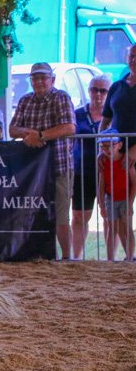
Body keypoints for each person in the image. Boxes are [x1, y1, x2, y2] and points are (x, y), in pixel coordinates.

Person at [9, 62, 77, 260]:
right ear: (30, 81)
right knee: (33, 215)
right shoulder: (24, 100)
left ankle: (66, 257)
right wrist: (27, 133)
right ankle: (42, 255)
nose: (39, 82)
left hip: (59, 166)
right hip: (31, 170)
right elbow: (13, 129)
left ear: (52, 80)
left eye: (43, 78)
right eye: (35, 78)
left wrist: (41, 135)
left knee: (61, 216)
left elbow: (70, 127)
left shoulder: (61, 97)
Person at [72, 74, 112, 259]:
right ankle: (77, 258)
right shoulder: (77, 114)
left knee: (110, 217)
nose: (98, 94)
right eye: (94, 89)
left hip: (109, 172)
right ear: (89, 91)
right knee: (80, 217)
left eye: (103, 90)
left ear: (109, 93)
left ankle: (111, 258)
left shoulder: (114, 115)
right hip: (82, 173)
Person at [96, 132, 136, 260]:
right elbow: (101, 186)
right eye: (103, 147)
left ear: (119, 145)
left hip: (125, 199)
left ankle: (129, 258)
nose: (107, 150)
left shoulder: (127, 162)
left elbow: (134, 184)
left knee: (127, 227)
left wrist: (130, 204)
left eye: (110, 146)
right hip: (111, 199)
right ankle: (110, 259)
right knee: (111, 229)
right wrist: (101, 205)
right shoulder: (104, 164)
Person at [100, 43, 136, 166]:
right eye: (132, 56)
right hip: (117, 155)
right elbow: (105, 121)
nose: (134, 60)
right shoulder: (116, 87)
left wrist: (134, 150)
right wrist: (102, 147)